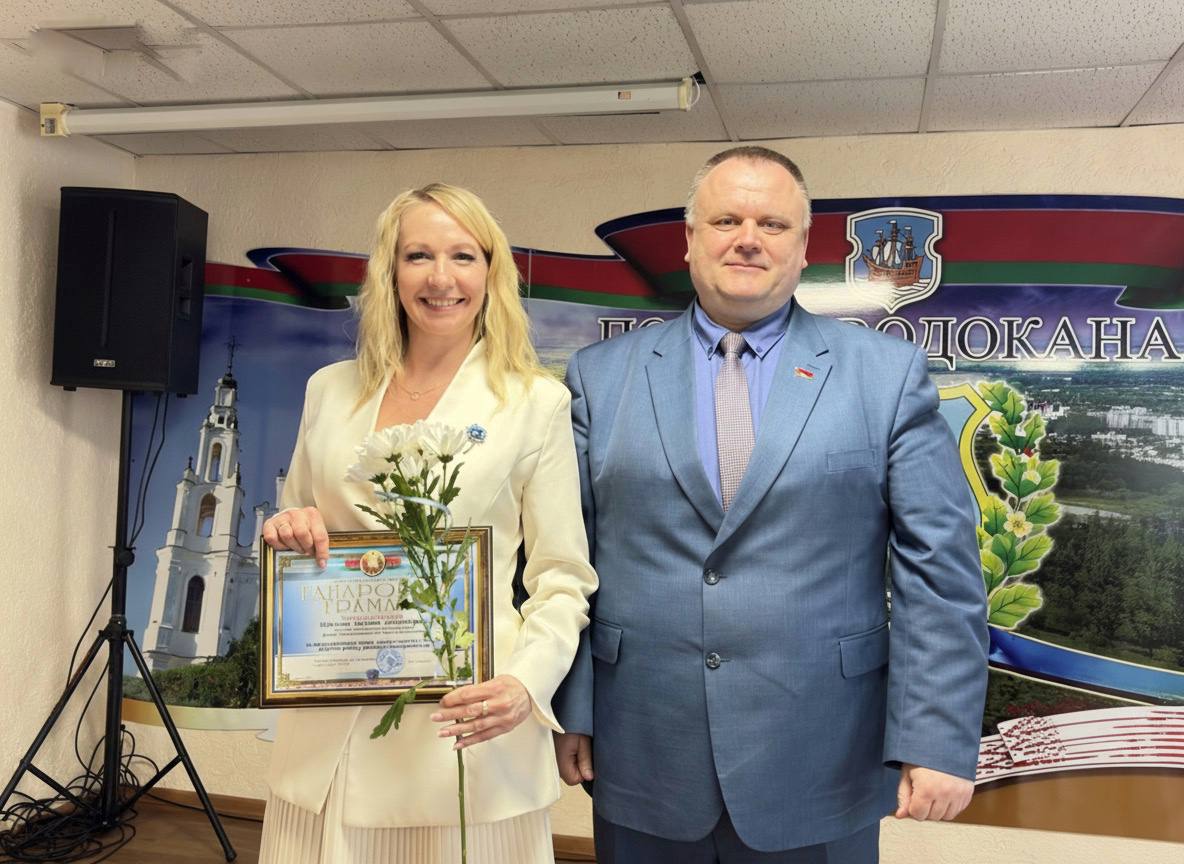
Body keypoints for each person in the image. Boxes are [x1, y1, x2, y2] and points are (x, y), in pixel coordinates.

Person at [552, 147, 988, 863]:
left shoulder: (885, 376)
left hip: (823, 755)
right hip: (642, 748)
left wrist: (936, 737)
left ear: (803, 245)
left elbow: (938, 569)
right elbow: (565, 558)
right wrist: (571, 706)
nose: (748, 239)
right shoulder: (600, 377)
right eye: (726, 220)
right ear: (689, 239)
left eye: (772, 223)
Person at [258, 182, 597, 864]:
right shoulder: (329, 389)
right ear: (390, 272)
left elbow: (562, 578)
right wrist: (287, 528)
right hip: (331, 728)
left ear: (491, 273)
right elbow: (292, 525)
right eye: (418, 255)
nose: (441, 278)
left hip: (465, 729)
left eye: (462, 256)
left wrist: (525, 684)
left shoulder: (535, 402)